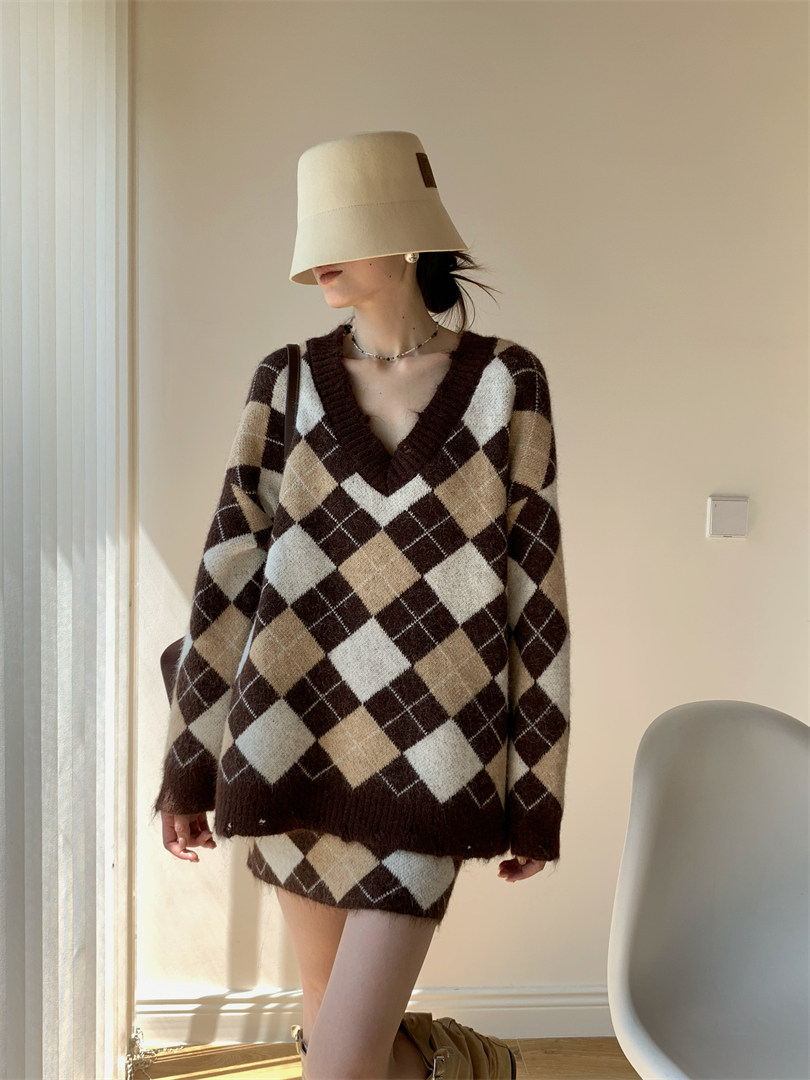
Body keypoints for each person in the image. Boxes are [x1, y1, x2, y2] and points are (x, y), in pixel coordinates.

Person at [152, 130, 571, 1080]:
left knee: (339, 1062)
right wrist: (189, 763)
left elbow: (534, 591)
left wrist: (533, 792)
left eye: (340, 230)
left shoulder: (507, 383)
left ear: (406, 235)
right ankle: (452, 1065)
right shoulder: (287, 380)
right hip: (288, 737)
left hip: (434, 756)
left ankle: (453, 1063)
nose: (317, 259)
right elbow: (228, 570)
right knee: (338, 1037)